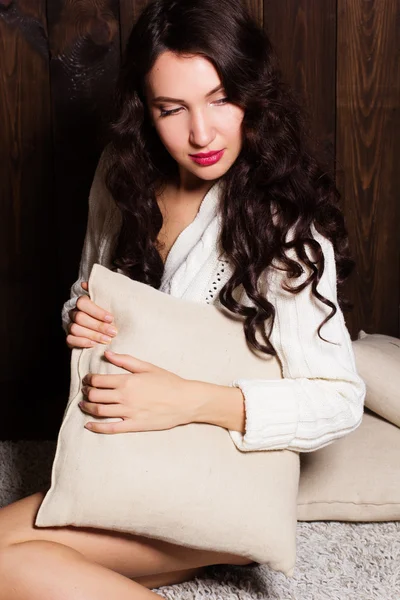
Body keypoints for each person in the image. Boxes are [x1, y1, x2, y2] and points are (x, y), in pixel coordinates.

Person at [0, 0, 366, 598]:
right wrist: (82, 318)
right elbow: (84, 288)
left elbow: (341, 401)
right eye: (172, 109)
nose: (201, 134)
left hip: (213, 488)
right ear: (144, 110)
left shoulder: (284, 229)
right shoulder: (119, 178)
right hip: (121, 467)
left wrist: (189, 400)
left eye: (220, 99)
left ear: (253, 95)